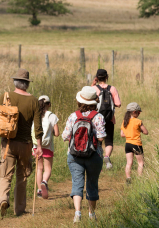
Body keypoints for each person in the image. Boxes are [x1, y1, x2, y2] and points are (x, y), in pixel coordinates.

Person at [0, 68, 43, 217]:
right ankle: (19, 209)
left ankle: (3, 199)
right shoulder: (33, 100)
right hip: (26, 144)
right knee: (22, 176)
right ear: (27, 84)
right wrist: (38, 146)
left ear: (15, 82)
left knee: (6, 175)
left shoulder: (5, 96)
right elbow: (38, 127)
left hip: (8, 143)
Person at [62, 86, 106, 223]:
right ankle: (92, 214)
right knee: (92, 184)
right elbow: (100, 138)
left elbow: (65, 136)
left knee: (77, 183)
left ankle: (77, 213)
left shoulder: (73, 116)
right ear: (94, 102)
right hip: (94, 155)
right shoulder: (98, 117)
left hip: (75, 156)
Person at [91, 69, 121, 169]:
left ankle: (96, 160)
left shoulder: (94, 89)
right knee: (109, 141)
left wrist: (93, 83)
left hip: (96, 119)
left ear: (97, 77)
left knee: (97, 140)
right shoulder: (112, 89)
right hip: (110, 119)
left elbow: (88, 100)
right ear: (106, 77)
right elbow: (118, 104)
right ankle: (107, 157)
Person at [31, 95, 59, 199]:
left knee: (39, 168)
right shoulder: (52, 116)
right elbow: (56, 133)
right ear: (49, 104)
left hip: (36, 146)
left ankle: (39, 190)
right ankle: (44, 182)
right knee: (47, 169)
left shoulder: (35, 115)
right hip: (48, 146)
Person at [120, 102, 149, 184]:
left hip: (128, 144)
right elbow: (146, 132)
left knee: (129, 163)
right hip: (136, 144)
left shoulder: (125, 121)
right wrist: (138, 130)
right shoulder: (138, 121)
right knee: (141, 162)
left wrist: (129, 133)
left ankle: (128, 179)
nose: (139, 114)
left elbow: (122, 134)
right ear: (134, 112)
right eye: (139, 112)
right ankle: (140, 180)